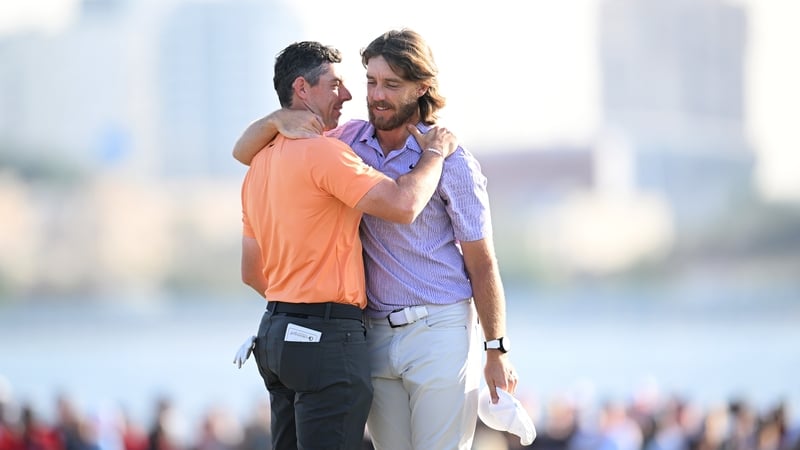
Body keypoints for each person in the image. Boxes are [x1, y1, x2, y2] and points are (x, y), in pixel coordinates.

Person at [234, 29, 518, 450]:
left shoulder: (453, 160)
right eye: (370, 81)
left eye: (391, 84)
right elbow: (244, 150)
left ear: (422, 87)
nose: (373, 95)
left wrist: (496, 348)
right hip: (371, 334)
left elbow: (483, 262)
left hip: (439, 327)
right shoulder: (342, 143)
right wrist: (275, 120)